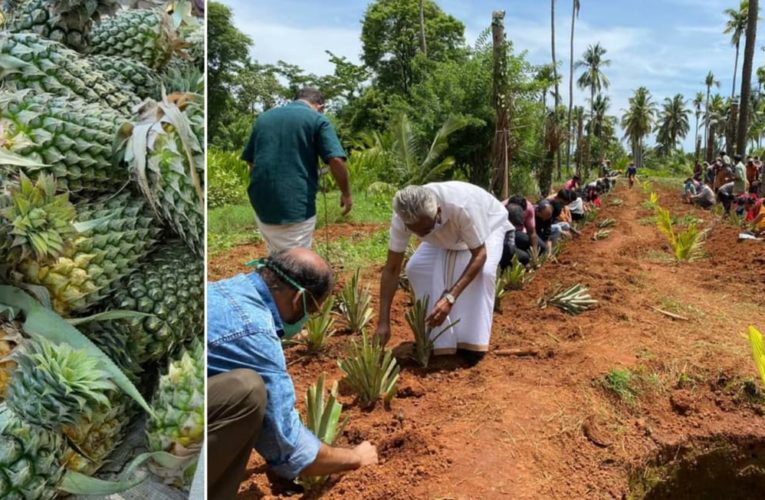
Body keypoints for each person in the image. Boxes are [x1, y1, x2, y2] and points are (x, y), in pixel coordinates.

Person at [207, 249, 378, 499]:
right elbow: (291, 449)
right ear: (299, 300)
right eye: (312, 312)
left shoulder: (226, 288)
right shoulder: (256, 335)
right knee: (248, 391)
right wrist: (355, 457)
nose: (306, 322)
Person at [374, 182, 511, 366]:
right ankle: (437, 339)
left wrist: (450, 298)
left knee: (484, 273)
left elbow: (480, 254)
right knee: (416, 268)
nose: (421, 234)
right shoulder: (404, 218)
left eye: (425, 230)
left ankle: (471, 343)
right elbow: (391, 269)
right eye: (416, 232)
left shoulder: (462, 205)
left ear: (438, 211)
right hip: (443, 236)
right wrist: (383, 322)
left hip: (486, 226)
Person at [242, 87, 352, 253]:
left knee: (276, 253)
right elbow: (335, 159)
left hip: (260, 201)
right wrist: (346, 194)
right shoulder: (317, 119)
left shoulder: (264, 118)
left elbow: (251, 162)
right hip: (295, 204)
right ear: (320, 106)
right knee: (295, 261)